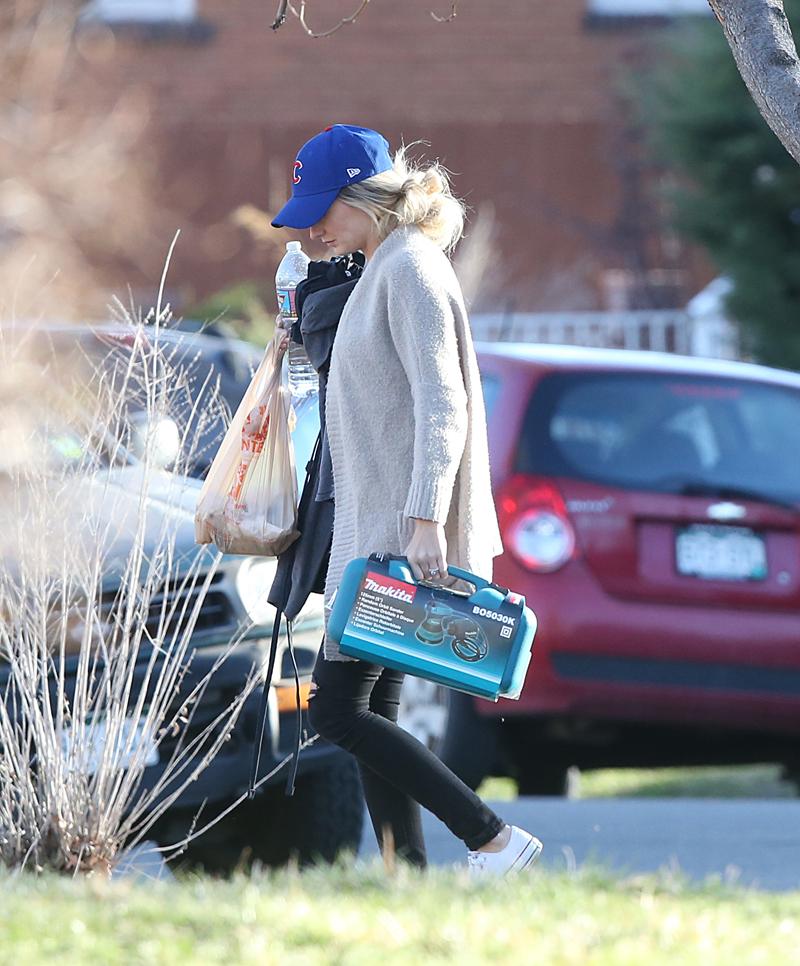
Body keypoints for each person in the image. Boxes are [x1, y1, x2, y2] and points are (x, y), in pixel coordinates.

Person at [271, 124, 542, 876]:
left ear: (368, 196)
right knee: (373, 708)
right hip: (375, 527)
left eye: (324, 208)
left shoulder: (411, 267)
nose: (313, 225)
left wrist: (426, 519)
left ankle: (493, 839)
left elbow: (443, 402)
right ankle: (406, 875)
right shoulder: (378, 267)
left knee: (334, 710)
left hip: (395, 531)